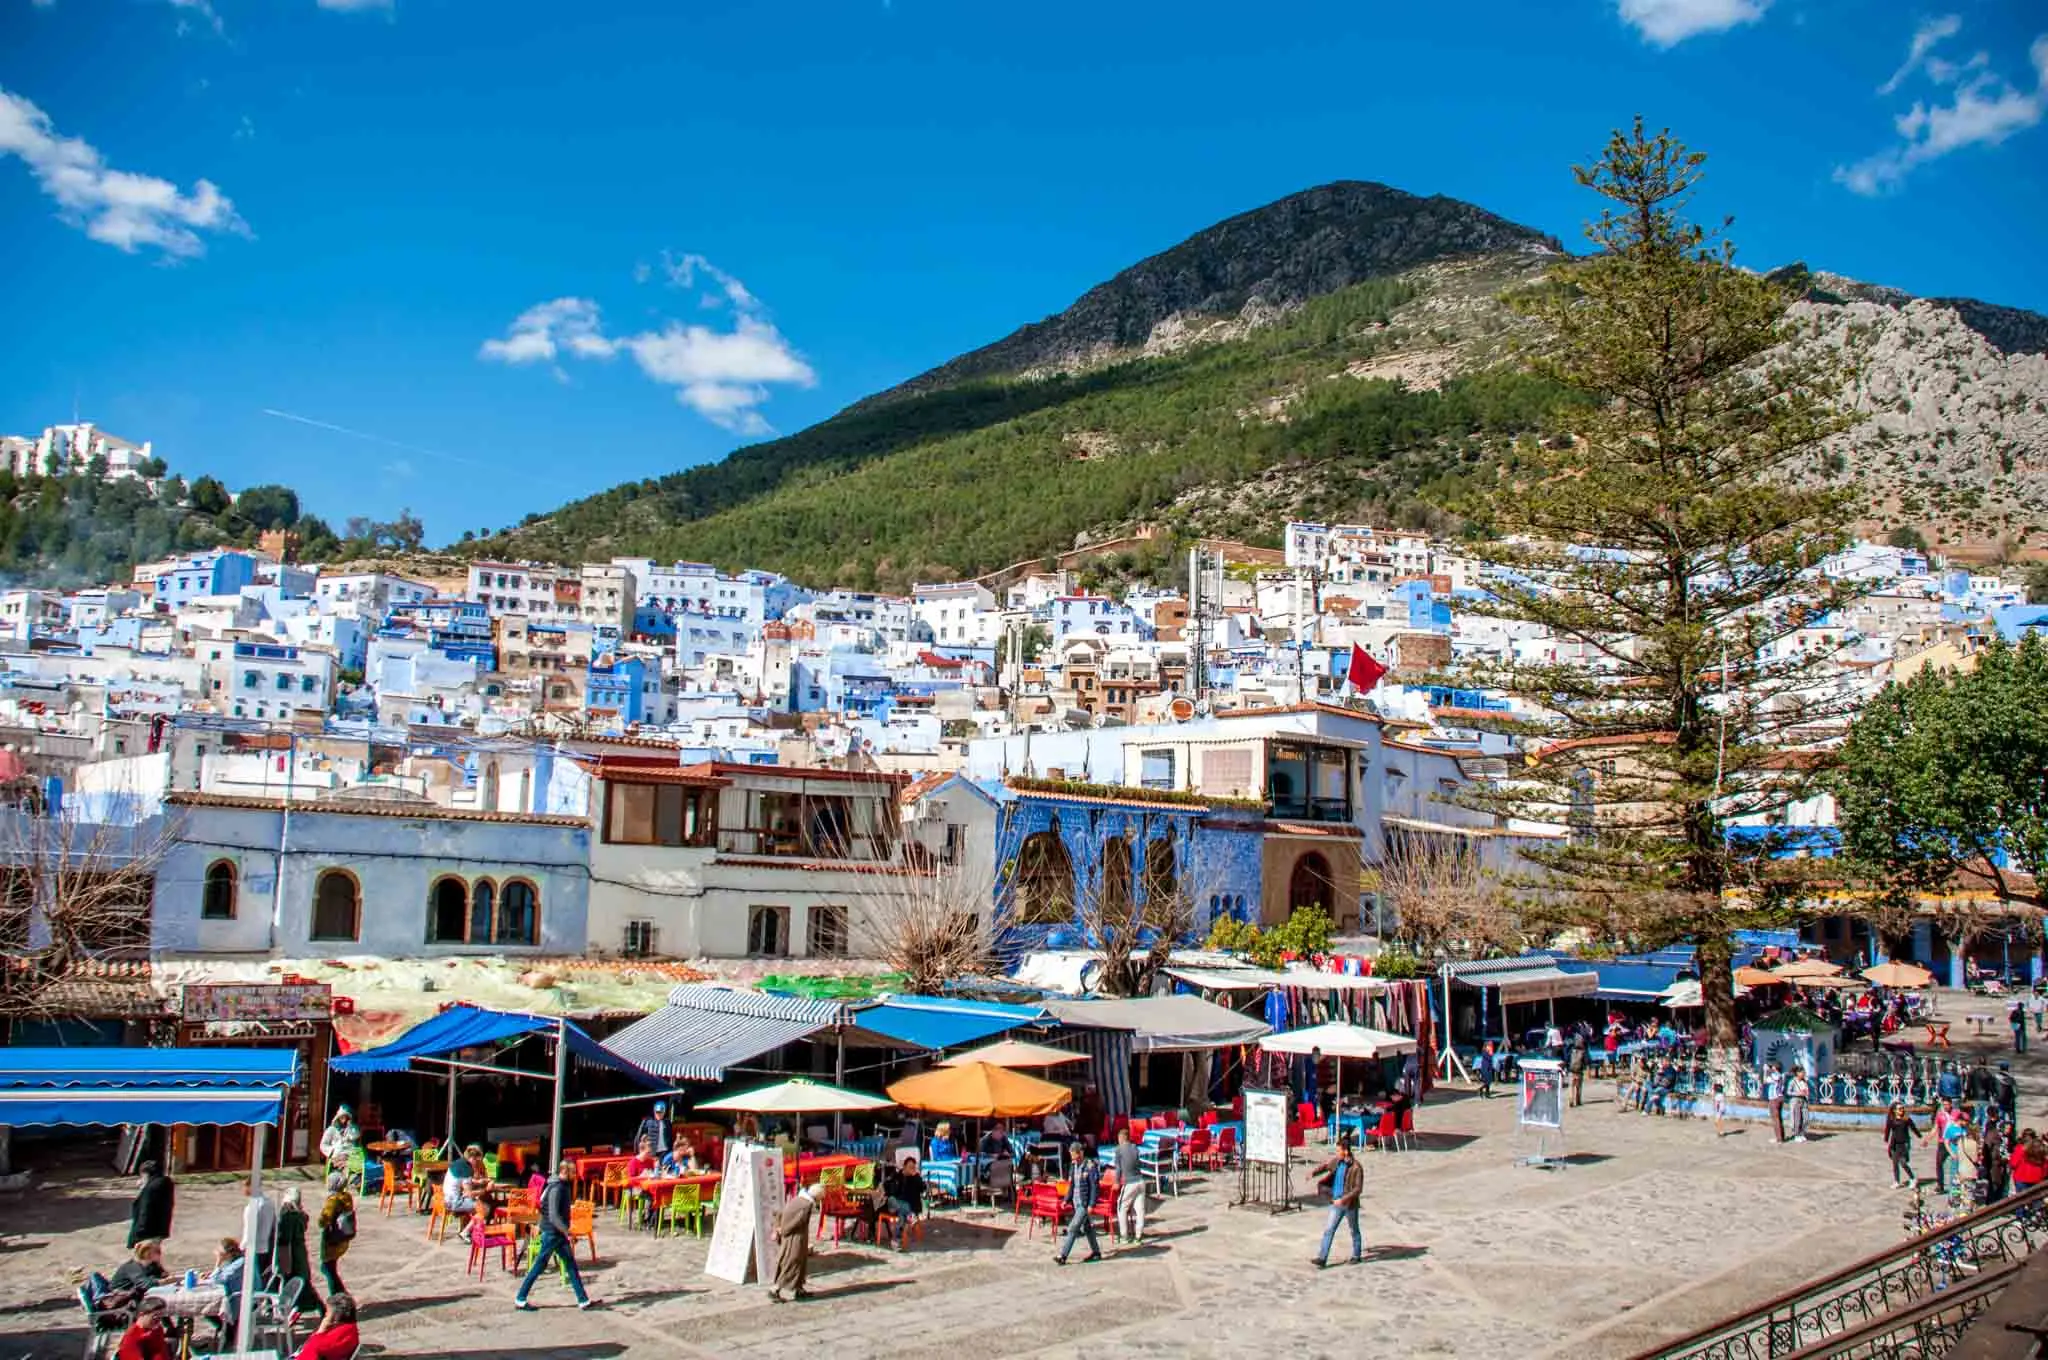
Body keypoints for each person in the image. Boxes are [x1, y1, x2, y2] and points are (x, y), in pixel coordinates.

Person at [514, 1160, 593, 1310]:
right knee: (539, 1266)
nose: (575, 1175)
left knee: (570, 1265)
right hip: (552, 1233)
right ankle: (520, 1298)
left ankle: (583, 1300)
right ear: (565, 1172)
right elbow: (554, 1215)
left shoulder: (559, 1185)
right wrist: (567, 1232)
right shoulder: (557, 1188)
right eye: (573, 1172)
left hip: (556, 1233)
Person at [1309, 1137, 1364, 1269]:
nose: (1337, 1153)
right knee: (1329, 1229)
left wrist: (1344, 1199)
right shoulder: (1338, 1162)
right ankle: (1322, 1257)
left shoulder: (1356, 1167)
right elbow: (1326, 1165)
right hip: (1336, 1202)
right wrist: (1313, 1173)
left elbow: (1358, 1189)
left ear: (1345, 1151)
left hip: (1349, 1204)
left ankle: (1357, 1255)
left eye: (1339, 1150)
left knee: (1354, 1229)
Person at [1053, 1142, 1103, 1265]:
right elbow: (1072, 1186)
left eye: (1073, 1153)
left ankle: (1063, 1255)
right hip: (1076, 1202)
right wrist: (1066, 1200)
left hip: (1084, 1203)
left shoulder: (1090, 1166)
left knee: (1073, 1227)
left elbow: (1095, 1186)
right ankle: (1096, 1252)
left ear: (1080, 1153)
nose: (1071, 1156)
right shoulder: (1073, 1166)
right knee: (1087, 1228)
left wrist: (1092, 1204)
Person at [276, 1185, 321, 1318]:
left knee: (295, 1284)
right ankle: (308, 1307)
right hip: (299, 1252)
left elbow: (284, 1240)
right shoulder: (300, 1215)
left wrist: (283, 1264)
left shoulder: (288, 1215)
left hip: (291, 1255)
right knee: (302, 1282)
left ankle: (297, 1309)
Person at [769, 1183, 818, 1302]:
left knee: (798, 1263)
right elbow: (797, 1221)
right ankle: (775, 1289)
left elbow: (781, 1213)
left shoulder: (797, 1199)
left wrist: (779, 1229)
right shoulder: (806, 1206)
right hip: (795, 1239)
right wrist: (783, 1231)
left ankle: (799, 1289)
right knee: (792, 1263)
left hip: (794, 1237)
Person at [317, 1171, 355, 1300]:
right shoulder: (346, 1197)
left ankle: (337, 1296)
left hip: (332, 1239)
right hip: (342, 1237)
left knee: (327, 1268)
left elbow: (323, 1220)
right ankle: (342, 1294)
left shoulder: (333, 1200)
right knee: (329, 1267)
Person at [878, 1156, 927, 1251]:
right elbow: (888, 1190)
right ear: (904, 1167)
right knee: (896, 1201)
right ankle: (911, 1217)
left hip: (905, 1209)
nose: (912, 1169)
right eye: (910, 1167)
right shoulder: (897, 1176)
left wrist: (917, 1177)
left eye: (914, 1167)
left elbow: (923, 1189)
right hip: (894, 1204)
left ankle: (896, 1242)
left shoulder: (916, 1178)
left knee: (902, 1215)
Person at [293, 1292, 361, 1360]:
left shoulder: (339, 1336)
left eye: (328, 1312)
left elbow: (314, 1348)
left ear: (335, 1317)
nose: (326, 1314)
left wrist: (321, 1330)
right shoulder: (350, 1329)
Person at [1111, 1125, 1147, 1246]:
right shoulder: (1135, 1148)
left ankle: (1124, 1236)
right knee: (1140, 1210)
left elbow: (1118, 1169)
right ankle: (1138, 1236)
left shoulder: (1119, 1150)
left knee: (1122, 1208)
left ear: (1121, 1138)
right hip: (1141, 1181)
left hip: (1130, 1182)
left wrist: (1116, 1182)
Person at [128, 1160, 175, 1248]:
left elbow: (145, 1210)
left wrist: (139, 1232)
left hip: (148, 1232)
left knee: (145, 1256)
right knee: (154, 1253)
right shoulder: (166, 1182)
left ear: (147, 1173)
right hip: (160, 1229)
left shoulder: (151, 1189)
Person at [115, 1295, 172, 1360]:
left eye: (161, 1317)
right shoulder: (131, 1337)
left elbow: (161, 1352)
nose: (159, 1321)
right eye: (155, 1317)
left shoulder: (157, 1329)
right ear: (141, 1315)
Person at [444, 1145, 480, 1238]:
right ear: (472, 1158)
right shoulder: (466, 1169)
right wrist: (484, 1190)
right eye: (477, 1160)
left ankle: (470, 1229)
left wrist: (475, 1182)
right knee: (482, 1207)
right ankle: (465, 1232)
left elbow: (460, 1181)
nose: (478, 1162)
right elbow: (469, 1193)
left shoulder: (458, 1163)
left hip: (447, 1198)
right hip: (454, 1202)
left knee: (473, 1202)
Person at [1883, 1103, 1921, 1188]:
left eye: (1902, 1108)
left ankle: (1913, 1178)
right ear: (1894, 1110)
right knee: (1895, 1163)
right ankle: (1897, 1181)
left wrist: (1919, 1136)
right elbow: (1887, 1130)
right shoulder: (1891, 1119)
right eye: (1899, 1109)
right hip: (1894, 1143)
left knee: (1903, 1162)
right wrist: (1886, 1140)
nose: (1902, 1110)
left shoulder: (1906, 1119)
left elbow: (1913, 1128)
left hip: (1904, 1144)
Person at [1785, 1068, 1810, 1142]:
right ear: (1798, 1073)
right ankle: (1796, 1134)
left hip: (1804, 1100)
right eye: (1802, 1073)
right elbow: (1788, 1092)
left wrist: (1806, 1093)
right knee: (1797, 1118)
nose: (1803, 1074)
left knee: (1805, 1117)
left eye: (1804, 1073)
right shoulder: (1792, 1081)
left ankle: (1802, 1133)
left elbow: (1807, 1090)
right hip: (1796, 1100)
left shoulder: (1804, 1081)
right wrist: (1798, 1093)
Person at [1764, 1063, 1786, 1143]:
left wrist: (1766, 1071)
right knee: (1779, 1118)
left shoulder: (1776, 1076)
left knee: (1776, 1119)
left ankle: (1779, 1138)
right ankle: (1781, 1136)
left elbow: (1765, 1080)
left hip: (1774, 1098)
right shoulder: (1781, 1075)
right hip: (1779, 1097)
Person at [1995, 1062, 2020, 1129]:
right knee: (2011, 1119)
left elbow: (1992, 1089)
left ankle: (1999, 1130)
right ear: (2007, 1069)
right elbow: (2015, 1092)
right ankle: (2012, 1132)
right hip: (2008, 1103)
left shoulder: (1995, 1078)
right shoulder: (2011, 1078)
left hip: (1998, 1102)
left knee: (1999, 1119)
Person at [1568, 1035, 1589, 1108]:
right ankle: (1578, 1101)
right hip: (1579, 1071)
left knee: (1571, 1086)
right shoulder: (1583, 1052)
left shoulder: (1571, 1050)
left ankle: (1571, 1100)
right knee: (1578, 1087)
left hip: (1571, 1070)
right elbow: (1586, 1061)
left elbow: (1567, 1059)